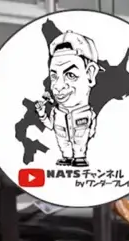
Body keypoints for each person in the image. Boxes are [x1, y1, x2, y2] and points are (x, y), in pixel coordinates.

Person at [39, 31, 101, 167]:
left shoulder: (90, 116)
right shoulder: (56, 113)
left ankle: (80, 157)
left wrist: (91, 131)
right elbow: (50, 126)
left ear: (90, 74)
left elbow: (91, 130)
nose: (58, 86)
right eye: (54, 76)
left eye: (70, 75)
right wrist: (42, 114)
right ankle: (67, 157)